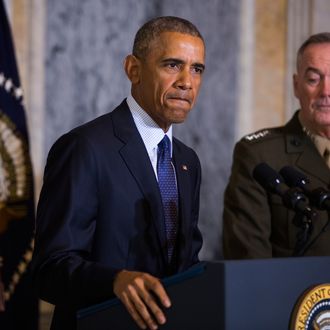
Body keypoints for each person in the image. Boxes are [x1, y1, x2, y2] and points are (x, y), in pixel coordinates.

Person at [32, 16, 205, 330]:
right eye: (171, 65)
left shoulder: (187, 161)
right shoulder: (85, 148)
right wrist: (113, 281)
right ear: (133, 69)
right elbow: (50, 270)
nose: (186, 82)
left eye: (196, 69)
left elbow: (185, 267)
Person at [223, 32, 330, 259]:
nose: (326, 92)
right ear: (296, 85)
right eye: (314, 79)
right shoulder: (259, 155)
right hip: (298, 294)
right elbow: (250, 261)